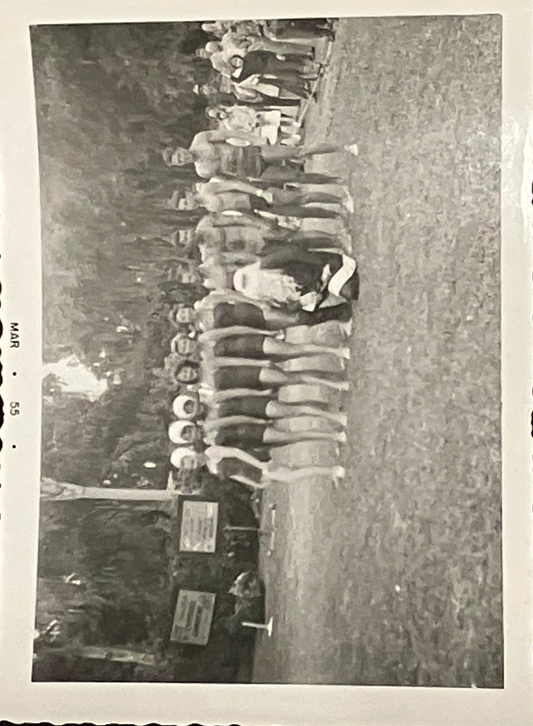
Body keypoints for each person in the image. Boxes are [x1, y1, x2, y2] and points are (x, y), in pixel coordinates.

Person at [170, 445, 345, 488]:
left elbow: (237, 453)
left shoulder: (211, 452)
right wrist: (255, 484)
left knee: (292, 475)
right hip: (253, 475)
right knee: (293, 470)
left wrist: (259, 464)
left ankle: (331, 471)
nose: (194, 464)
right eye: (191, 466)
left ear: (191, 452)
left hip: (255, 464)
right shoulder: (211, 468)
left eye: (191, 460)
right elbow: (234, 476)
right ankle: (328, 470)